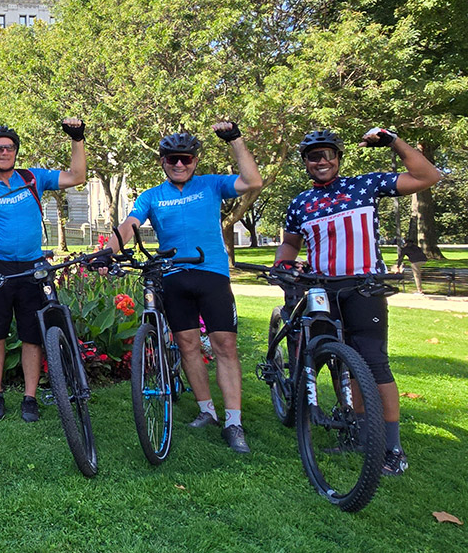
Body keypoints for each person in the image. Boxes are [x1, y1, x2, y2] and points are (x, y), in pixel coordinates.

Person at [275, 127, 440, 475]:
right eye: (313, 156)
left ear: (338, 157)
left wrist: (394, 141)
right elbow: (290, 244)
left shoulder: (363, 186)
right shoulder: (300, 203)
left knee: (375, 365)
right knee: (338, 361)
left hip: (364, 286)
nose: (321, 161)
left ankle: (392, 448)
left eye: (328, 154)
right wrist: (283, 267)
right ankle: (360, 433)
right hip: (321, 288)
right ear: (305, 162)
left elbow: (428, 176)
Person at [108, 122, 262, 453]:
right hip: (173, 277)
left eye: (186, 159)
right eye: (172, 159)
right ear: (162, 161)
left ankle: (234, 422)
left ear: (195, 160)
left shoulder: (212, 185)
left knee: (224, 345)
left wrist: (235, 140)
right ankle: (207, 411)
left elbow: (253, 181)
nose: (180, 165)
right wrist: (107, 252)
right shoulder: (152, 196)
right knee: (188, 345)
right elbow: (129, 225)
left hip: (211, 273)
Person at [0, 120, 88, 423]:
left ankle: (30, 397)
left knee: (32, 336)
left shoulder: (34, 178)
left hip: (33, 267)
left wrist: (77, 139)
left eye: (9, 147)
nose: (4, 152)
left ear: (15, 152)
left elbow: (77, 176)